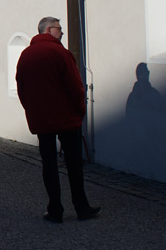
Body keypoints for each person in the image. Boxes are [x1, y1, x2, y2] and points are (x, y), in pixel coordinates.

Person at [15, 16, 101, 223]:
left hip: (42, 120)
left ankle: (55, 210)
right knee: (73, 165)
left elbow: (21, 87)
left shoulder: (26, 54)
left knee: (49, 165)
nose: (62, 32)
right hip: (66, 118)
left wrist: (32, 111)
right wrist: (79, 112)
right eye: (58, 28)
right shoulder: (60, 53)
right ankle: (81, 208)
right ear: (47, 30)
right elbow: (75, 86)